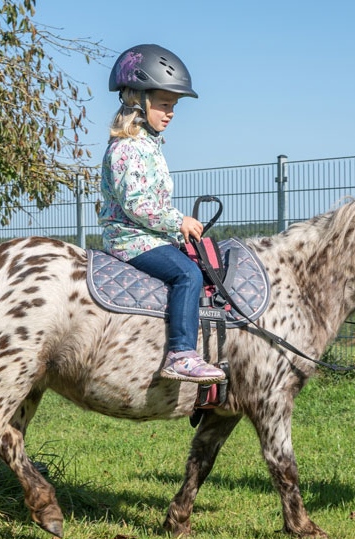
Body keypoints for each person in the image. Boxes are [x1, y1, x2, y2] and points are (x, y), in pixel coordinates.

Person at [99, 44, 225, 384]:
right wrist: (177, 221)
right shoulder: (127, 148)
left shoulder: (149, 145)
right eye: (165, 104)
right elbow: (137, 205)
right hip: (130, 238)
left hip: (147, 235)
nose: (170, 113)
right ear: (137, 101)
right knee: (187, 274)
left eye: (174, 106)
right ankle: (181, 354)